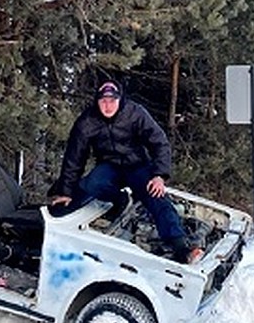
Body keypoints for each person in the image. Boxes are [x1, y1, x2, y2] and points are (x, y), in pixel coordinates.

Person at [48, 81, 203, 264]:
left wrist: (159, 175)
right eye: (103, 101)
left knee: (156, 196)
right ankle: (118, 201)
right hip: (109, 166)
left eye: (112, 101)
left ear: (119, 100)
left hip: (137, 165)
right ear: (97, 101)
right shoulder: (87, 121)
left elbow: (159, 142)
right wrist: (65, 192)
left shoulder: (134, 113)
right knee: (90, 184)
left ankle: (180, 247)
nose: (107, 106)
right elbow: (74, 158)